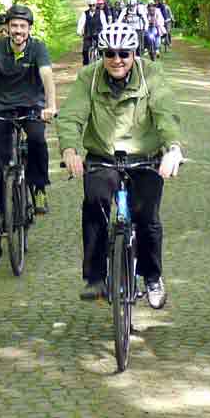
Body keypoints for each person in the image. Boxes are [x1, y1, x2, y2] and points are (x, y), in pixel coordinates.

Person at [57, 21, 185, 307]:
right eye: (110, 53)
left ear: (134, 53)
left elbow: (166, 114)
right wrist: (70, 150)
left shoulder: (151, 73)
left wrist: (173, 149)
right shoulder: (89, 77)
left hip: (145, 157)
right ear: (101, 54)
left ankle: (152, 277)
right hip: (103, 156)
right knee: (95, 203)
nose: (117, 59)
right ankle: (95, 278)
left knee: (147, 216)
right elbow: (70, 116)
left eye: (124, 53)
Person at [0, 3, 58, 215]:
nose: (18, 30)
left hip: (31, 106)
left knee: (37, 140)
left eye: (22, 26)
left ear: (29, 28)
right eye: (14, 26)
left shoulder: (38, 48)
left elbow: (47, 77)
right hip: (0, 106)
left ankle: (38, 187)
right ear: (8, 28)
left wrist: (51, 106)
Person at [78, 0, 106, 65]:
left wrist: (105, 32)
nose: (92, 7)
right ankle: (86, 67)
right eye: (90, 5)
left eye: (93, 5)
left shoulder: (101, 13)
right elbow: (81, 23)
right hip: (88, 34)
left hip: (98, 34)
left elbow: (104, 24)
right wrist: (79, 31)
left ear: (96, 5)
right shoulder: (85, 14)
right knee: (85, 51)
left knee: (102, 49)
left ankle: (103, 64)